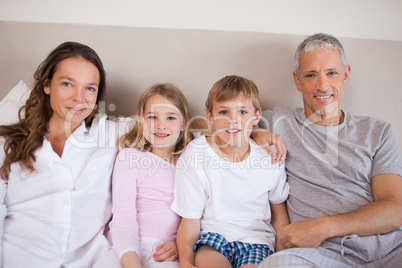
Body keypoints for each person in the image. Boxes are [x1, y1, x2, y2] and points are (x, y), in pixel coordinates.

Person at [253, 33, 402, 268]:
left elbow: (395, 210)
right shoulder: (279, 122)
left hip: (392, 246)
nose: (322, 86)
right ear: (298, 80)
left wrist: (324, 226)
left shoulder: (378, 131)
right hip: (324, 256)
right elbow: (217, 129)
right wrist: (255, 132)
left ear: (346, 75)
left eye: (331, 73)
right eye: (311, 75)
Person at [0, 42, 121, 267]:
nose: (79, 97)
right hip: (20, 258)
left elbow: (168, 130)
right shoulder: (8, 142)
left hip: (88, 261)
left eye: (90, 88)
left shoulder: (111, 134)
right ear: (47, 85)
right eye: (67, 84)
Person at [171, 75, 290, 268]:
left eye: (242, 112)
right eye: (223, 112)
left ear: (256, 116)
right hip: (214, 239)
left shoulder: (270, 157)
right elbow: (190, 220)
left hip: (256, 241)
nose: (233, 120)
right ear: (210, 116)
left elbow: (279, 214)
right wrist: (185, 262)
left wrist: (283, 256)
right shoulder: (196, 154)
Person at [109, 83, 193, 268]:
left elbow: (197, 219)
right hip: (125, 247)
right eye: (152, 117)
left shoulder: (190, 166)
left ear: (184, 123)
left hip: (166, 253)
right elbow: (123, 217)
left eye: (171, 117)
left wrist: (181, 245)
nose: (161, 125)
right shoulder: (131, 157)